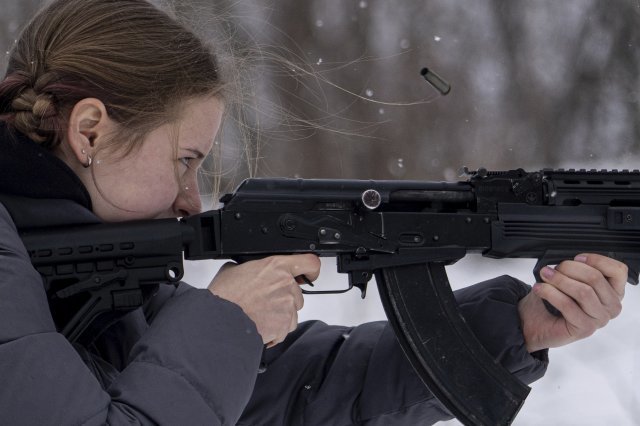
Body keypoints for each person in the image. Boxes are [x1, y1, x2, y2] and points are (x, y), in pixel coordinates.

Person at [0, 0, 628, 424]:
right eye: (184, 159)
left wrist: (512, 329)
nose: (191, 199)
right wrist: (226, 324)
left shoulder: (81, 277)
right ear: (89, 133)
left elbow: (293, 392)